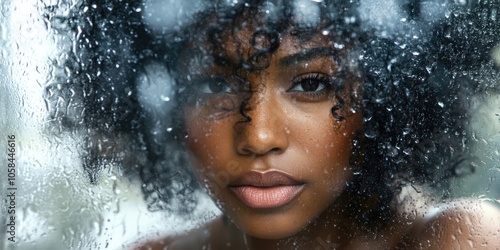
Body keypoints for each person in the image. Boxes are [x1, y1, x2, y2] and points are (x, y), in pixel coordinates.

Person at [46, 0, 499, 249]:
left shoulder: (458, 240)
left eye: (311, 83)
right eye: (210, 87)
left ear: (387, 92)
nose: (258, 135)